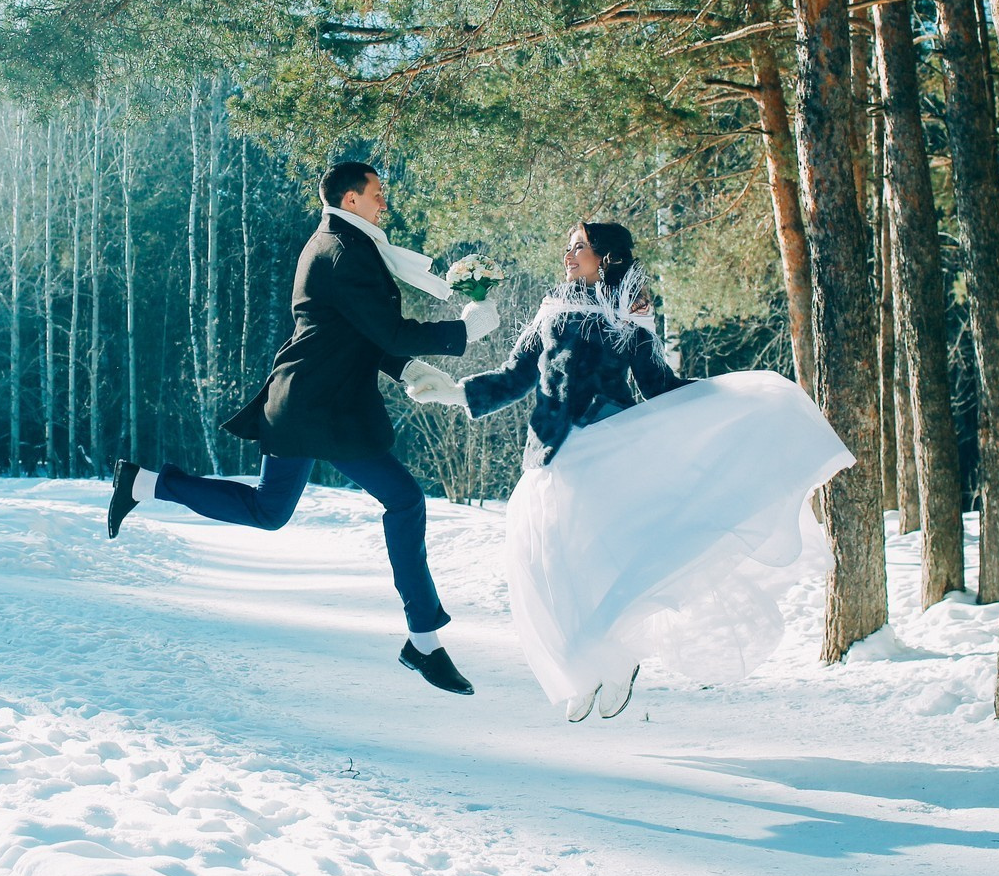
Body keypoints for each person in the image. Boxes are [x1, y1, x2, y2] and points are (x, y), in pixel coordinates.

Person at [411, 221, 854, 722]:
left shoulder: (630, 311)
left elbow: (658, 383)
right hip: (547, 455)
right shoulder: (551, 306)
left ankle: (617, 659)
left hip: (608, 449)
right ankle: (582, 668)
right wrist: (453, 391)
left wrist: (726, 400)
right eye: (567, 247)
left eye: (579, 247)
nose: (569, 256)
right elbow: (515, 377)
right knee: (547, 567)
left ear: (606, 256)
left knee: (608, 564)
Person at [106, 160, 501, 694]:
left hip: (321, 404)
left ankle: (143, 483)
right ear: (352, 198)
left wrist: (409, 369)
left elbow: (359, 335)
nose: (385, 202)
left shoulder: (348, 245)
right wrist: (464, 331)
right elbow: (389, 330)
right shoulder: (340, 250)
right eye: (378, 193)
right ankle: (424, 642)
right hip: (315, 406)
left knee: (280, 510)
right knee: (393, 502)